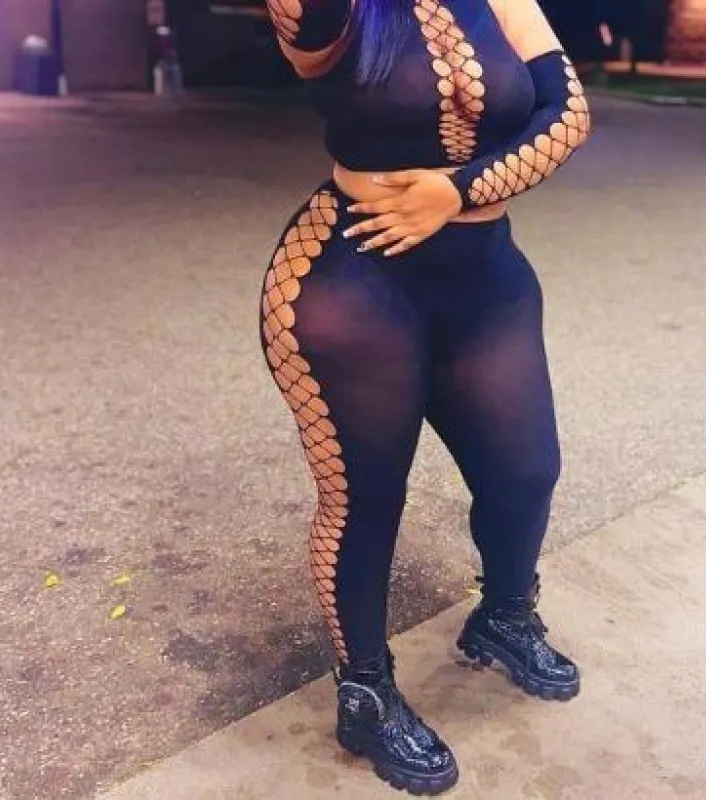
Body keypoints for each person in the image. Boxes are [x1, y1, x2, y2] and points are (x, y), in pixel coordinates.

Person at [260, 0, 591, 793]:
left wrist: (457, 191)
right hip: (352, 281)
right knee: (365, 502)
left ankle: (504, 616)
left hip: (486, 280)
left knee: (525, 473)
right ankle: (365, 692)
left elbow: (568, 114)